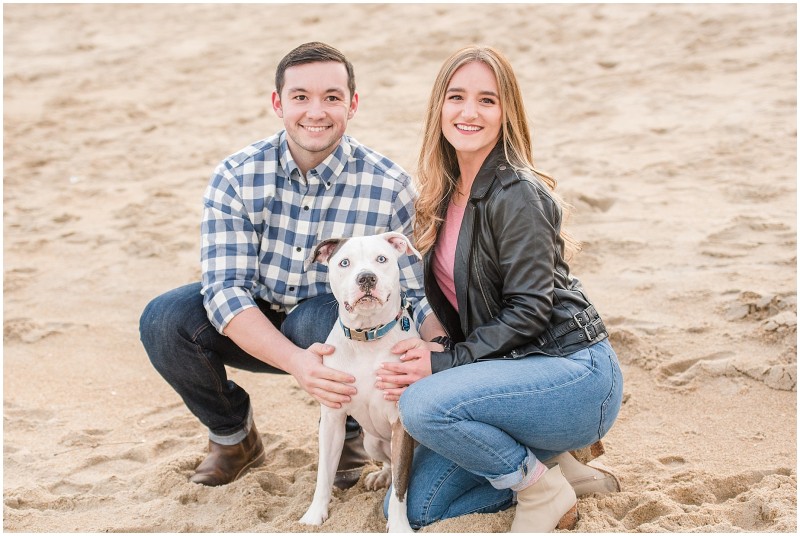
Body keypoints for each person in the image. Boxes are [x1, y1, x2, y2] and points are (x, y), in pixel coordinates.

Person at [139, 42, 437, 489]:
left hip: (329, 321)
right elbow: (224, 291)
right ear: (278, 103)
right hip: (254, 317)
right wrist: (298, 364)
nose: (315, 111)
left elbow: (415, 293)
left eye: (332, 97)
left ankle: (351, 433)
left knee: (329, 317)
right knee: (164, 320)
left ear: (352, 105)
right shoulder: (236, 175)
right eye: (300, 97)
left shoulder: (390, 186)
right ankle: (233, 437)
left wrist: (441, 352)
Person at [374, 45, 624, 532]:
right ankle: (552, 466)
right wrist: (437, 343)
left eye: (487, 100)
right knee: (417, 509)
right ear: (438, 107)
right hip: (512, 373)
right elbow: (469, 303)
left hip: (573, 373)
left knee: (423, 405)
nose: (469, 112)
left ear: (506, 112)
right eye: (457, 97)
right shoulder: (445, 192)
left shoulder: (517, 192)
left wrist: (442, 364)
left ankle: (542, 490)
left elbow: (530, 311)